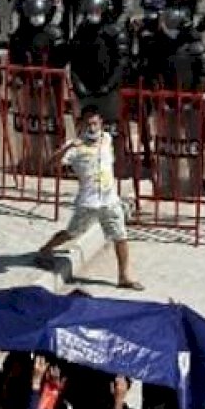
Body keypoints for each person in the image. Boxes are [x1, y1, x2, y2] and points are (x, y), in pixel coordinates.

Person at [37, 106, 142, 291]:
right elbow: (51, 163)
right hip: (88, 202)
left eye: (95, 123)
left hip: (109, 200)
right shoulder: (75, 146)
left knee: (121, 236)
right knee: (72, 233)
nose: (92, 128)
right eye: (88, 124)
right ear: (81, 125)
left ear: (101, 123)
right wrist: (68, 147)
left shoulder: (107, 139)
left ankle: (124, 276)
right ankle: (45, 249)